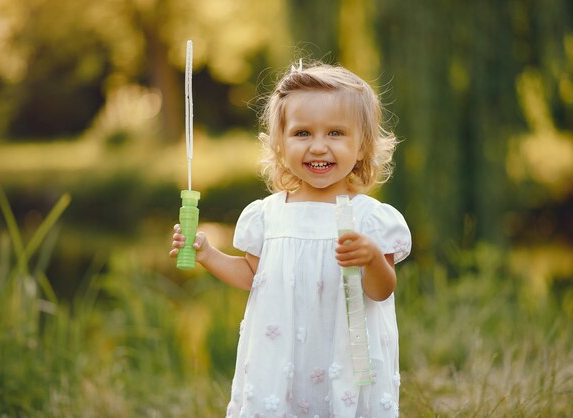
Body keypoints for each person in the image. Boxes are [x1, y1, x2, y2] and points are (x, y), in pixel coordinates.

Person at [170, 61, 411, 418]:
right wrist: (207, 254)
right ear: (280, 144)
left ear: (362, 146)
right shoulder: (268, 215)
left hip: (345, 356)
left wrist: (373, 258)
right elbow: (253, 276)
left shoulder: (369, 218)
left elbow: (381, 290)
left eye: (335, 133)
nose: (317, 147)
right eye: (302, 133)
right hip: (280, 354)